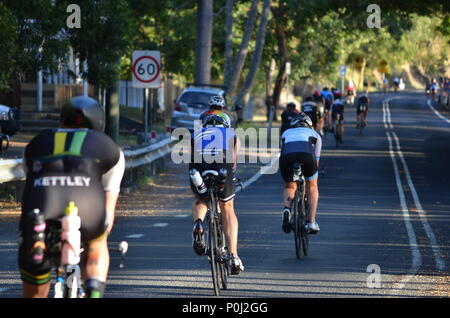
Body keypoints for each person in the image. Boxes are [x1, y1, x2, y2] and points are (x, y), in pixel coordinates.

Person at [18, 96, 125, 298]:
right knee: (97, 242)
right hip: (86, 203)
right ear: (99, 122)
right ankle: (94, 290)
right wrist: (100, 230)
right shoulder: (109, 146)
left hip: (42, 201)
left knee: (34, 279)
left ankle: (38, 251)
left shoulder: (38, 141)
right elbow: (108, 211)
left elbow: (30, 178)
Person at [190, 95, 244, 275]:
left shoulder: (196, 133)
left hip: (199, 168)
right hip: (222, 166)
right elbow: (234, 164)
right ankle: (234, 255)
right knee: (227, 207)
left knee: (201, 198)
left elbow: (191, 159)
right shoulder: (231, 134)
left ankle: (198, 223)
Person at [280, 112, 322, 234]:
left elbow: (282, 151)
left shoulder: (285, 133)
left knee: (289, 185)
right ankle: (311, 222)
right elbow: (317, 160)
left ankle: (287, 209)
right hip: (307, 156)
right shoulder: (315, 134)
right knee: (312, 185)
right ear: (309, 125)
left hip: (287, 157)